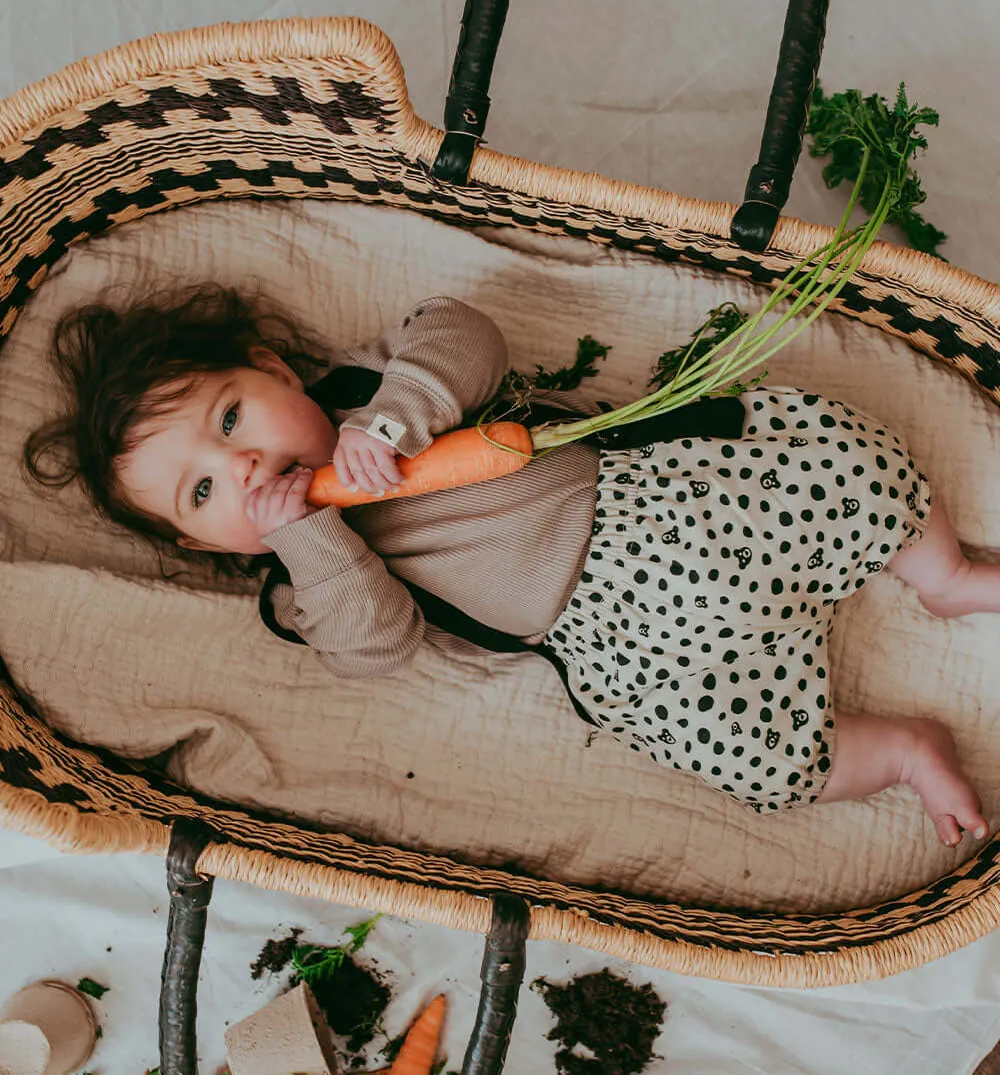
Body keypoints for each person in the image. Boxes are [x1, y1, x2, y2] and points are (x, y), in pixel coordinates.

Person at [24, 283, 999, 846]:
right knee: (745, 753)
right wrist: (311, 533)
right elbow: (378, 648)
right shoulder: (297, 587)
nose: (236, 467)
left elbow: (464, 335)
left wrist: (393, 422)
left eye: (229, 417)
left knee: (826, 451)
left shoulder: (370, 384)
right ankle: (903, 748)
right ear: (204, 545)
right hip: (615, 632)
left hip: (656, 496)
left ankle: (939, 568)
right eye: (202, 492)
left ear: (275, 371)